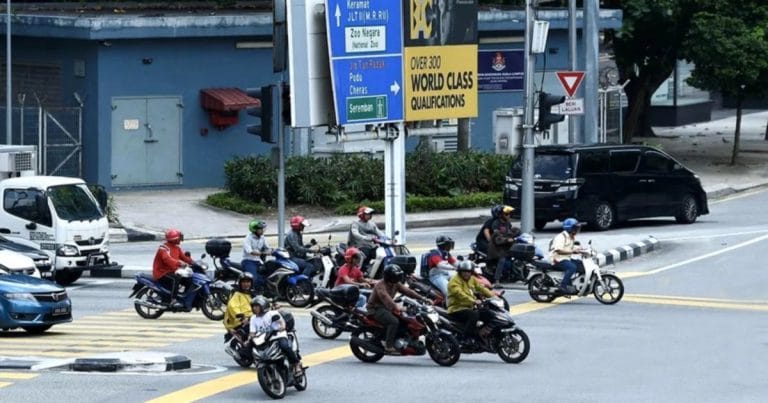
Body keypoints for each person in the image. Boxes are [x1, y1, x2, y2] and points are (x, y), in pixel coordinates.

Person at [367, 264, 432, 354]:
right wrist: (398, 307)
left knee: (405, 320)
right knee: (394, 322)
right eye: (396, 276)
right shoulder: (380, 285)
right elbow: (386, 298)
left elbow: (408, 291)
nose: (398, 278)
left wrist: (422, 298)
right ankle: (388, 345)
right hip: (376, 309)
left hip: (387, 307)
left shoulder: (395, 284)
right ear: (389, 277)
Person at [249, 295, 304, 376]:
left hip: (278, 335)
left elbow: (281, 323)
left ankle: (296, 364)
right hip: (264, 339)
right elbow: (252, 332)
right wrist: (250, 337)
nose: (254, 308)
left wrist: (281, 328)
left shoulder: (272, 313)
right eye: (253, 306)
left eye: (257, 306)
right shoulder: (253, 318)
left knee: (284, 346)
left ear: (263, 306)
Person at [447, 260, 496, 338]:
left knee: (489, 313)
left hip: (470, 307)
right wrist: (473, 301)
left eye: (468, 271)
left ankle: (482, 333)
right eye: (464, 271)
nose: (466, 273)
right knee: (474, 315)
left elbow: (481, 288)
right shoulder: (454, 281)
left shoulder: (472, 279)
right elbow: (460, 294)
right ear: (460, 272)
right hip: (456, 308)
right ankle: (466, 337)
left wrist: (493, 294)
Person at [152, 228, 194, 309]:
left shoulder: (177, 248)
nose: (180, 240)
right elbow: (167, 259)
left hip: (172, 271)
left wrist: (194, 263)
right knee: (176, 278)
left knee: (189, 278)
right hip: (161, 273)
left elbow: (184, 257)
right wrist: (179, 263)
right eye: (179, 238)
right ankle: (173, 300)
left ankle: (184, 298)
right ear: (175, 239)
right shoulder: (163, 248)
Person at [549, 218, 588, 294]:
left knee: (582, 265)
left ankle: (574, 283)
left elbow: (570, 248)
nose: (577, 230)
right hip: (557, 259)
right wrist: (573, 251)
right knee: (572, 267)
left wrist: (581, 250)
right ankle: (563, 286)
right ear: (570, 228)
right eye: (576, 228)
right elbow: (558, 250)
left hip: (566, 258)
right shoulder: (561, 237)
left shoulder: (571, 237)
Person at [488, 205, 521, 288]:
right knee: (502, 259)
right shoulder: (496, 224)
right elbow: (497, 238)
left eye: (509, 214)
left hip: (506, 246)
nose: (508, 216)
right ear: (500, 214)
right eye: (506, 214)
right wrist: (506, 240)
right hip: (497, 248)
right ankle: (497, 280)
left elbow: (510, 232)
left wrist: (517, 232)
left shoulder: (508, 223)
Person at [348, 206, 386, 270]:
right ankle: (360, 271)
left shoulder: (371, 224)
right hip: (358, 246)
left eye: (370, 214)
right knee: (365, 254)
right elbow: (356, 234)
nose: (370, 215)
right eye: (368, 214)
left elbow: (379, 232)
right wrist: (368, 238)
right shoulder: (355, 223)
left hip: (370, 245)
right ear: (362, 215)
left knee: (380, 254)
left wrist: (388, 238)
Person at [224, 273, 254, 339]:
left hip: (253, 318)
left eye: (248, 282)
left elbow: (262, 302)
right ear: (240, 283)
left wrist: (272, 306)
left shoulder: (253, 294)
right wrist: (242, 318)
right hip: (241, 322)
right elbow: (233, 307)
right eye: (244, 282)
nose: (246, 284)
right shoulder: (236, 295)